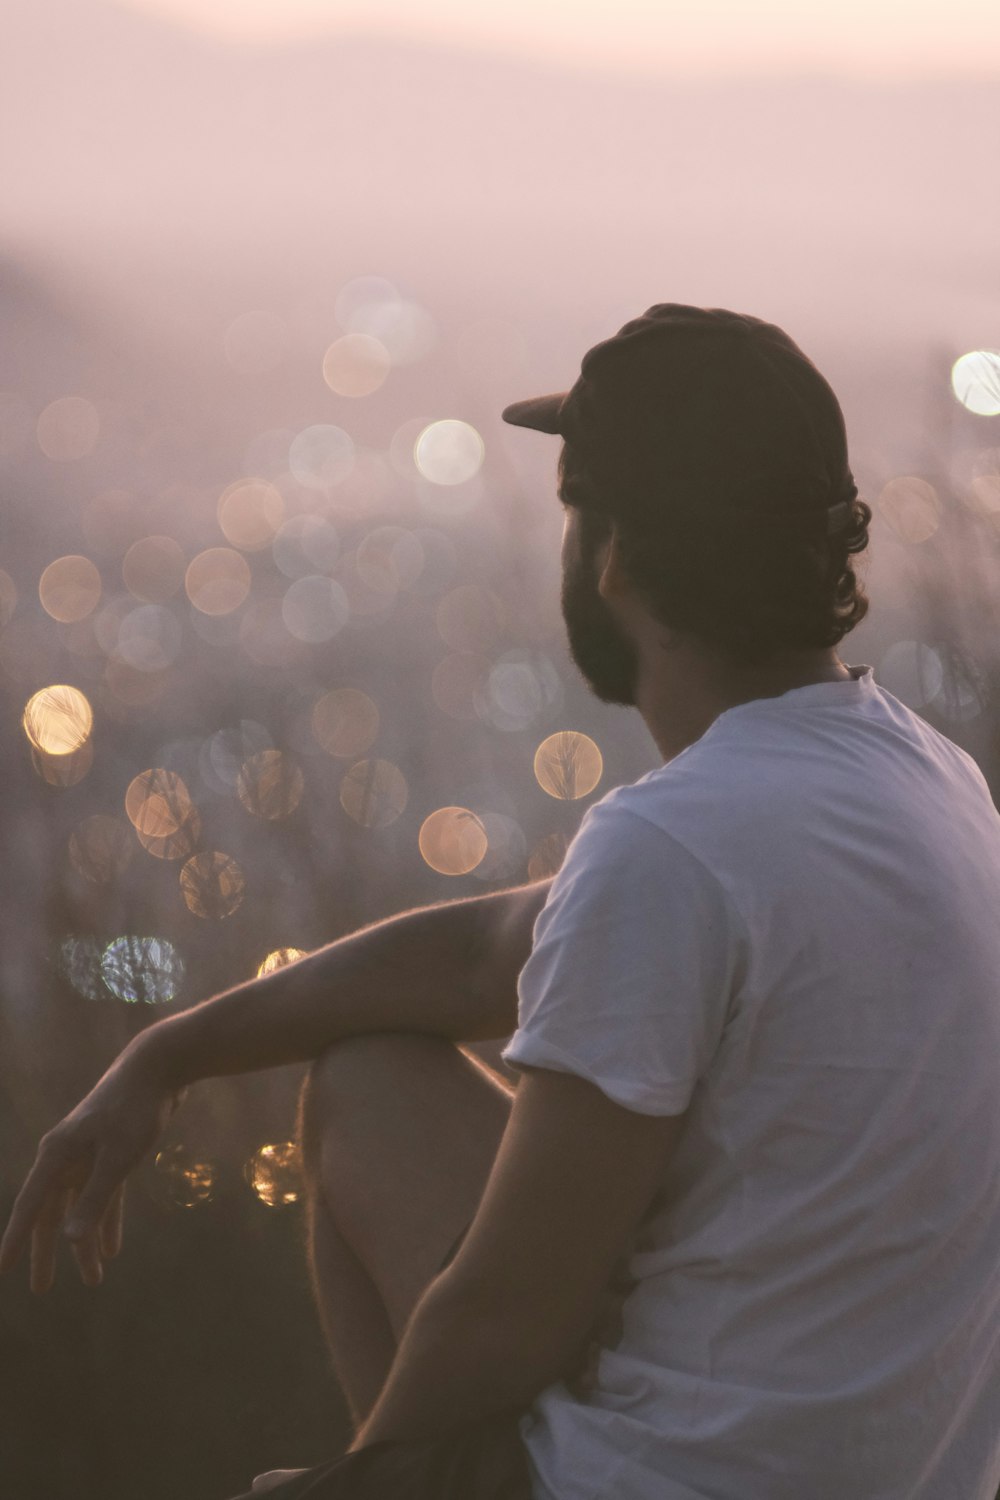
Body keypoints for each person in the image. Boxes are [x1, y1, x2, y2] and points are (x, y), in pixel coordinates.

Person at [2, 304, 999, 1500]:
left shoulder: (674, 848)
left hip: (661, 1480)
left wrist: (351, 1489)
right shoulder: (930, 782)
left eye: (575, 509)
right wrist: (168, 1055)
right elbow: (490, 948)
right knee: (368, 1069)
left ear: (616, 551)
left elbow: (502, 1316)